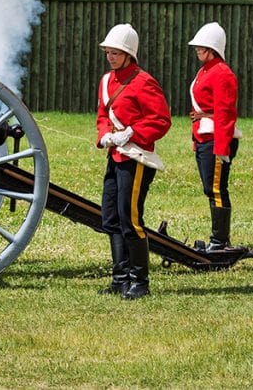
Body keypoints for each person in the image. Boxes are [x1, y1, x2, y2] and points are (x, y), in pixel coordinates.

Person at [95, 23, 171, 300]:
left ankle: (140, 282)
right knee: (111, 217)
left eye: (116, 53)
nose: (111, 57)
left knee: (131, 219)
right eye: (108, 52)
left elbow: (161, 120)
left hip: (135, 157)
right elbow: (103, 116)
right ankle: (120, 278)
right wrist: (104, 135)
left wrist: (132, 133)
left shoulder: (143, 82)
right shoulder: (106, 81)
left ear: (129, 55)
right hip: (114, 155)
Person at [187, 22, 241, 252]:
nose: (198, 50)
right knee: (210, 188)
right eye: (197, 47)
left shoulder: (221, 73)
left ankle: (220, 240)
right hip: (204, 137)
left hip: (217, 140)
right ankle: (218, 239)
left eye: (203, 47)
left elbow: (225, 113)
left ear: (214, 48)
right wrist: (195, 137)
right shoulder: (206, 70)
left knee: (217, 189)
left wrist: (221, 147)